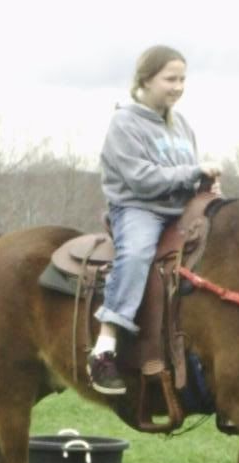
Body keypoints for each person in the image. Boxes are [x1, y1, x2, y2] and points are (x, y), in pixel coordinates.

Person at [87, 45, 222, 395]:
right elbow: (141, 178)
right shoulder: (125, 123)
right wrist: (192, 170)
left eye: (182, 79)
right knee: (135, 255)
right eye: (170, 79)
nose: (178, 86)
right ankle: (105, 346)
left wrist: (205, 185)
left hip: (181, 210)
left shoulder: (181, 125)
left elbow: (186, 175)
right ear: (146, 80)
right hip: (139, 208)